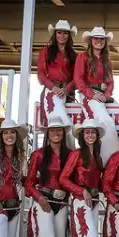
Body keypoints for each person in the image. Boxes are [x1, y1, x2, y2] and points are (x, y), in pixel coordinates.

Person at [59, 118, 108, 237]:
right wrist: (81, 191)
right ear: (82, 136)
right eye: (87, 132)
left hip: (94, 203)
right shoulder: (76, 155)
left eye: (93, 132)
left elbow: (100, 182)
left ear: (96, 136)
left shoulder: (98, 157)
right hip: (80, 203)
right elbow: (63, 179)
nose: (90, 135)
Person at [24, 116, 72, 237]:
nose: (56, 133)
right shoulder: (38, 155)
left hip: (62, 202)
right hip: (43, 201)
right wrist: (39, 197)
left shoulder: (71, 154)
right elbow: (29, 183)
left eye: (59, 130)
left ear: (63, 132)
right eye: (53, 130)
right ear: (47, 133)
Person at [74, 26, 119, 166]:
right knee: (104, 122)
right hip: (88, 95)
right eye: (96, 38)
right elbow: (78, 79)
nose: (99, 41)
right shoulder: (82, 57)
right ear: (91, 40)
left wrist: (106, 96)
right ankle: (107, 161)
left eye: (101, 39)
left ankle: (116, 158)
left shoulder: (107, 60)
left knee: (116, 120)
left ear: (105, 41)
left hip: (102, 96)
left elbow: (110, 82)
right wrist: (91, 94)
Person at [37, 19, 78, 149]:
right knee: (61, 125)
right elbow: (41, 73)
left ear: (69, 35)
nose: (62, 36)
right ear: (55, 34)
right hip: (51, 92)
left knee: (64, 126)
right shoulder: (46, 51)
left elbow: (77, 78)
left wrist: (66, 89)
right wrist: (53, 87)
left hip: (67, 93)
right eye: (59, 32)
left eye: (65, 33)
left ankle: (69, 158)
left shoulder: (74, 55)